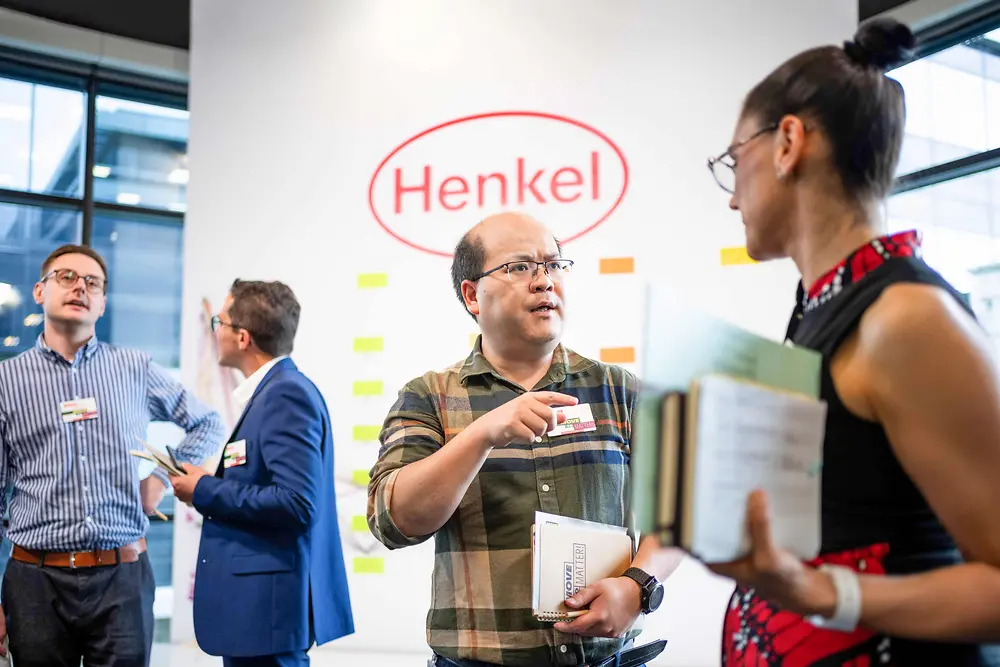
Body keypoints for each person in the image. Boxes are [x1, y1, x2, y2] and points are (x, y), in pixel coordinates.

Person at [701, 17, 1000, 666]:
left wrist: (824, 591)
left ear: (787, 142)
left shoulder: (905, 318)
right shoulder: (820, 307)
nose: (732, 200)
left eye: (734, 160)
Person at [367, 212, 678, 667]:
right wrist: (483, 434)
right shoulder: (429, 396)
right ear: (472, 295)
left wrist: (638, 586)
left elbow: (678, 513)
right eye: (519, 267)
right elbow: (393, 520)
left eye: (554, 265)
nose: (543, 281)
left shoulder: (618, 389)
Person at [0, 244, 224, 667]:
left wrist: (160, 477)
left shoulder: (134, 368)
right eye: (66, 277)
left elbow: (207, 422)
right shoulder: (6, 381)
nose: (80, 287)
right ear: (39, 291)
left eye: (93, 283)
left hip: (122, 577)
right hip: (34, 583)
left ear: (101, 303)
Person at [171, 279, 354, 667]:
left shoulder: (285, 394)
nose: (214, 330)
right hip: (256, 615)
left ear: (242, 337)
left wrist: (203, 489)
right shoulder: (274, 392)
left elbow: (296, 502)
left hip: (267, 613)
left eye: (218, 321)